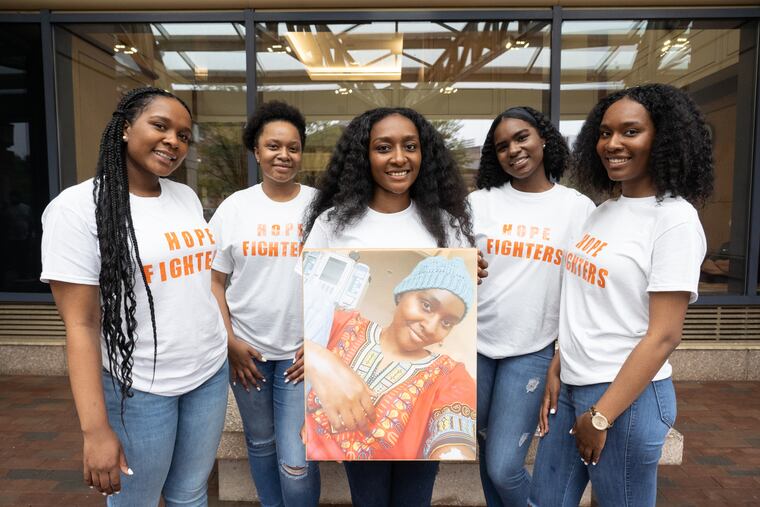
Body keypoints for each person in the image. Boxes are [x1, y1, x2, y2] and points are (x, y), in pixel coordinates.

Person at [40, 86, 229, 505]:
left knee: (190, 492)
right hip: (140, 385)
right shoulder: (76, 209)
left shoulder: (185, 196)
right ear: (125, 128)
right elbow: (81, 325)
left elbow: (198, 283)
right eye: (160, 126)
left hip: (208, 374)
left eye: (183, 135)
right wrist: (95, 430)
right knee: (136, 501)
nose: (173, 141)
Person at [530, 83, 714, 506]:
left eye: (630, 132)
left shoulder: (674, 220)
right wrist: (559, 364)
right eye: (605, 132)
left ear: (663, 138)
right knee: (544, 500)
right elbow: (585, 303)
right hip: (575, 385)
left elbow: (664, 336)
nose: (612, 144)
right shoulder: (604, 211)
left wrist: (602, 414)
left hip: (624, 399)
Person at [302, 106, 481, 507]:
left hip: (416, 454)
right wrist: (316, 358)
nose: (399, 158)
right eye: (384, 147)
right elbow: (309, 310)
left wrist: (476, 271)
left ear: (425, 155)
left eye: (410, 147)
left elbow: (450, 427)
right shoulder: (334, 224)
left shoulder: (445, 225)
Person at [468, 106, 595, 506]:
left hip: (533, 349)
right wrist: (464, 263)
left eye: (521, 137)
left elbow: (583, 288)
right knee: (490, 456)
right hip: (474, 347)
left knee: (504, 466)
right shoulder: (479, 203)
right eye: (502, 145)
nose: (514, 150)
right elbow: (448, 268)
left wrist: (563, 354)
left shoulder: (577, 208)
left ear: (543, 138)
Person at [209, 101, 320, 507]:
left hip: (300, 355)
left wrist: (320, 343)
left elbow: (344, 279)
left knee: (297, 459)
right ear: (256, 151)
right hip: (248, 353)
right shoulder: (234, 208)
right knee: (260, 443)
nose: (283, 156)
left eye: (292, 147)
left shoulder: (320, 207)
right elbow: (214, 281)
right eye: (273, 146)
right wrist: (230, 341)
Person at [304, 255, 477, 461]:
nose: (431, 327)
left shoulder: (450, 376)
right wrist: (315, 357)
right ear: (402, 294)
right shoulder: (342, 324)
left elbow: (454, 440)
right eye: (427, 306)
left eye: (447, 323)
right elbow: (278, 343)